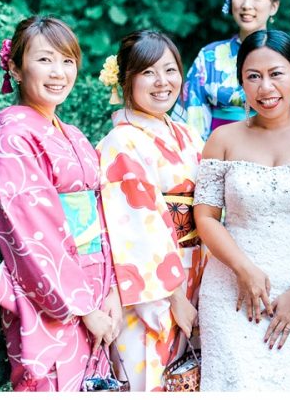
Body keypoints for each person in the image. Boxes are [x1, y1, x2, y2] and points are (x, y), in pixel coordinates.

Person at [192, 29, 290, 391]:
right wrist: (243, 269)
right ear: (241, 83)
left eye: (276, 74)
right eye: (253, 76)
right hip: (230, 291)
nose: (266, 88)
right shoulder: (222, 140)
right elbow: (205, 217)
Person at [0, 16, 120, 391]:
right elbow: (33, 236)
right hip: (50, 295)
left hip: (96, 287)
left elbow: (102, 217)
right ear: (15, 68)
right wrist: (84, 307)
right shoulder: (15, 142)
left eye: (67, 61)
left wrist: (109, 293)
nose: (59, 72)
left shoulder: (72, 134)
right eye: (44, 60)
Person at [96, 30, 207, 391]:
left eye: (170, 70)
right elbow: (136, 228)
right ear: (126, 79)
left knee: (189, 378)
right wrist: (175, 297)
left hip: (197, 270)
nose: (163, 82)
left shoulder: (188, 135)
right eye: (148, 72)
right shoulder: (121, 142)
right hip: (153, 284)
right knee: (152, 378)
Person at [172, 0, 290, 140]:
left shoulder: (289, 57)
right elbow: (192, 119)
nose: (246, 5)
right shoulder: (209, 56)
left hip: (280, 151)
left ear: (274, 6)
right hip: (220, 153)